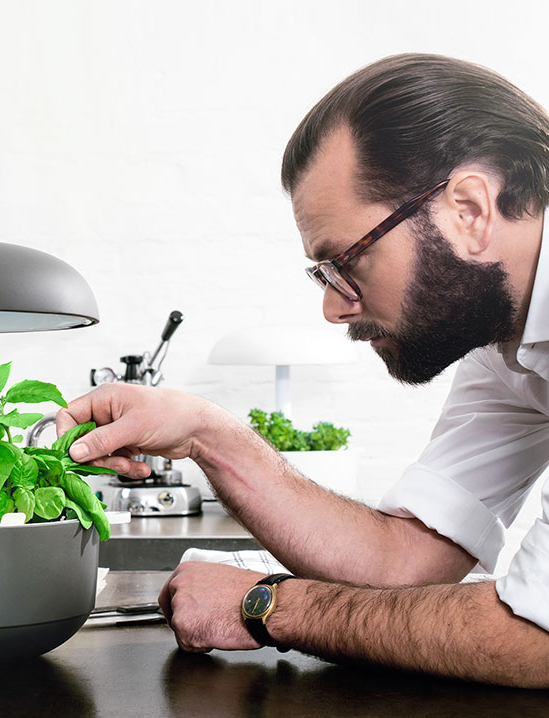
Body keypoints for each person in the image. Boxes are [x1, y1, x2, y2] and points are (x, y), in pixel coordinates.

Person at [55, 54, 549, 688]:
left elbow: (537, 637)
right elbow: (405, 563)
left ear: (470, 210)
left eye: (347, 261)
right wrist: (205, 433)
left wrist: (267, 606)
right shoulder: (506, 345)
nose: (333, 308)